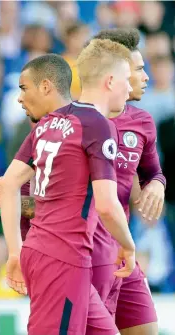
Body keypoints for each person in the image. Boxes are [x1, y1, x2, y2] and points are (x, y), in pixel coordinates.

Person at [0, 41, 135, 334]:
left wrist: (15, 251)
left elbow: (9, 183)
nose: (130, 88)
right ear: (111, 81)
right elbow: (107, 205)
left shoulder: (48, 123)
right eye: (127, 79)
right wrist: (128, 244)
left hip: (45, 251)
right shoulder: (96, 124)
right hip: (64, 257)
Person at [88, 28, 165, 335]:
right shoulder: (77, 121)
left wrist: (157, 185)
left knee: (147, 329)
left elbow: (153, 173)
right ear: (114, 75)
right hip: (88, 253)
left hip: (123, 250)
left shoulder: (142, 121)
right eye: (139, 69)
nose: (146, 76)